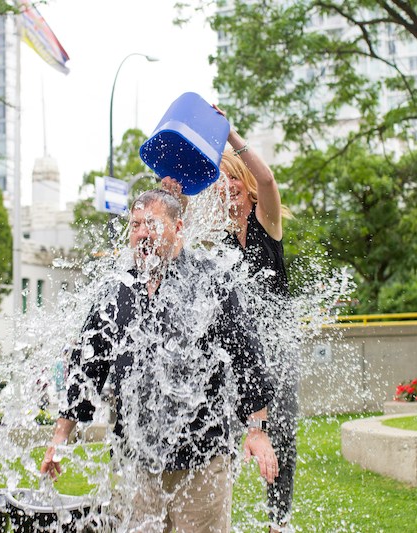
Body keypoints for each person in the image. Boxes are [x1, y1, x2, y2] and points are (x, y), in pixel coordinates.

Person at [40, 189, 278, 533]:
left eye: (151, 223)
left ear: (178, 226)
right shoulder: (117, 289)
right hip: (135, 461)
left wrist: (256, 431)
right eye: (135, 225)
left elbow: (247, 356)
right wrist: (60, 436)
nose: (141, 233)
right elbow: (87, 367)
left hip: (202, 459)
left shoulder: (210, 280)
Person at [163, 106, 298, 532]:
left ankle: (279, 522)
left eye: (235, 180)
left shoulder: (266, 224)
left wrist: (230, 136)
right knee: (220, 428)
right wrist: (173, 194)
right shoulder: (217, 243)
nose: (229, 190)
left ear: (246, 185)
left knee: (281, 434)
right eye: (223, 184)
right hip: (239, 352)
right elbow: (179, 245)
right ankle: (214, 512)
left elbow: (270, 181)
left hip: (276, 350)